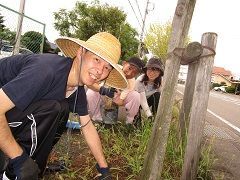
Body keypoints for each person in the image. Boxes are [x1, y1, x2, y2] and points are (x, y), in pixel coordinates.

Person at [0, 32, 128, 179]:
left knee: (61, 110)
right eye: (97, 60)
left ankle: (33, 165)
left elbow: (87, 127)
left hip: (9, 117)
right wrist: (19, 159)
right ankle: (12, 173)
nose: (100, 71)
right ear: (81, 52)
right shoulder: (46, 71)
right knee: (53, 108)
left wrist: (104, 169)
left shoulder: (76, 89)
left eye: (107, 68)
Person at [87, 57, 145, 124]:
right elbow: (92, 84)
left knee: (136, 95)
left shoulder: (131, 81)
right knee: (91, 93)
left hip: (116, 98)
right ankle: (97, 119)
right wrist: (104, 90)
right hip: (103, 96)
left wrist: (119, 99)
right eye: (129, 68)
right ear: (124, 63)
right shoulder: (112, 68)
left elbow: (121, 100)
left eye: (134, 73)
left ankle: (129, 121)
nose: (129, 73)